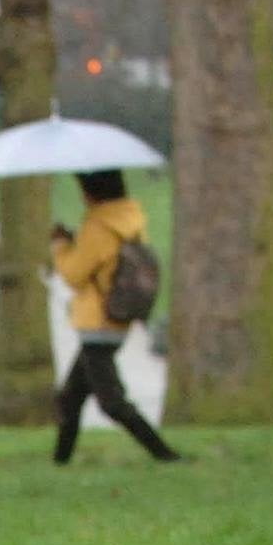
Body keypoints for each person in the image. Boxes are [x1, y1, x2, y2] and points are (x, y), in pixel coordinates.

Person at [48, 169, 181, 466]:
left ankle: (164, 454)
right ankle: (60, 461)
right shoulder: (130, 220)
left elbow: (74, 274)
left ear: (91, 191)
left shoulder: (97, 225)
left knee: (111, 402)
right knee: (70, 397)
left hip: (97, 321)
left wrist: (59, 246)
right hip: (118, 316)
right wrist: (75, 241)